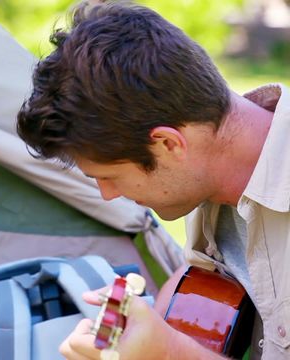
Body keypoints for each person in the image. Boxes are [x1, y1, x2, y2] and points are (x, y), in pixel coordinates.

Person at [16, 1, 288, 359]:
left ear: (167, 143)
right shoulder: (203, 177)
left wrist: (170, 353)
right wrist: (140, 331)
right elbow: (202, 293)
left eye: (109, 176)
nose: (107, 194)